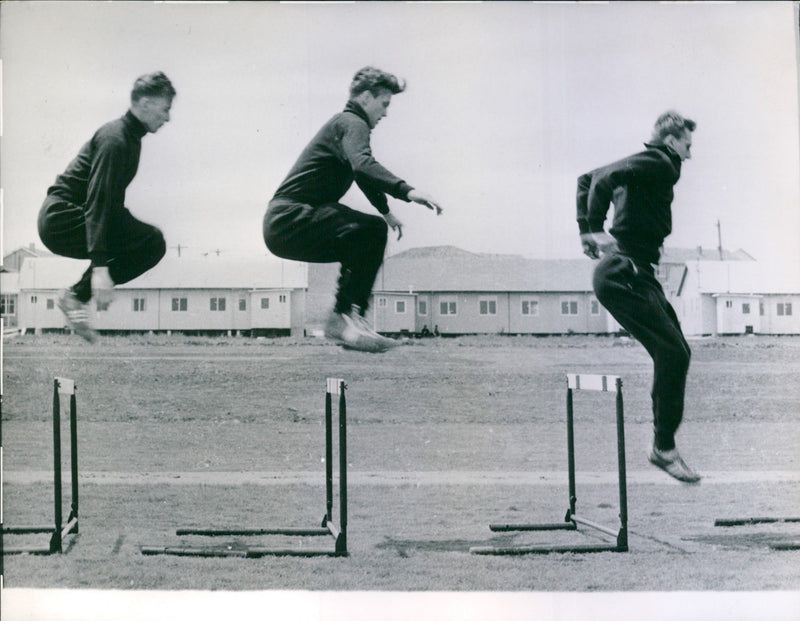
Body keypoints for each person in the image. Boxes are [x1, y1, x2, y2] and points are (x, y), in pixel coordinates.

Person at [264, 66, 442, 353]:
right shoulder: (352, 122)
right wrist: (408, 191)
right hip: (289, 218)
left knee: (367, 237)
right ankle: (343, 316)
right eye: (384, 104)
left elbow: (360, 175)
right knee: (370, 232)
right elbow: (363, 165)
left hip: (284, 227)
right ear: (367, 97)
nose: (385, 114)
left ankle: (350, 317)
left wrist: (385, 211)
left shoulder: (344, 125)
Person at [576, 111, 700, 483]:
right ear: (672, 141)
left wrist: (585, 231)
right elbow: (601, 179)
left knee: (679, 351)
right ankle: (663, 449)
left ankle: (664, 445)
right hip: (624, 270)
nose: (690, 156)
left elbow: (587, 179)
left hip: (634, 270)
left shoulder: (644, 166)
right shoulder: (661, 162)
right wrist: (594, 229)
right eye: (688, 146)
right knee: (673, 351)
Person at [38, 71, 175, 342]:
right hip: (61, 219)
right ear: (145, 103)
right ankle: (76, 295)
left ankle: (75, 296)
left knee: (150, 243)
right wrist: (100, 269)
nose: (168, 118)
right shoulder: (115, 139)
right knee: (151, 241)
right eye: (165, 109)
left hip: (79, 215)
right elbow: (99, 202)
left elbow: (112, 207)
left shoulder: (131, 140)